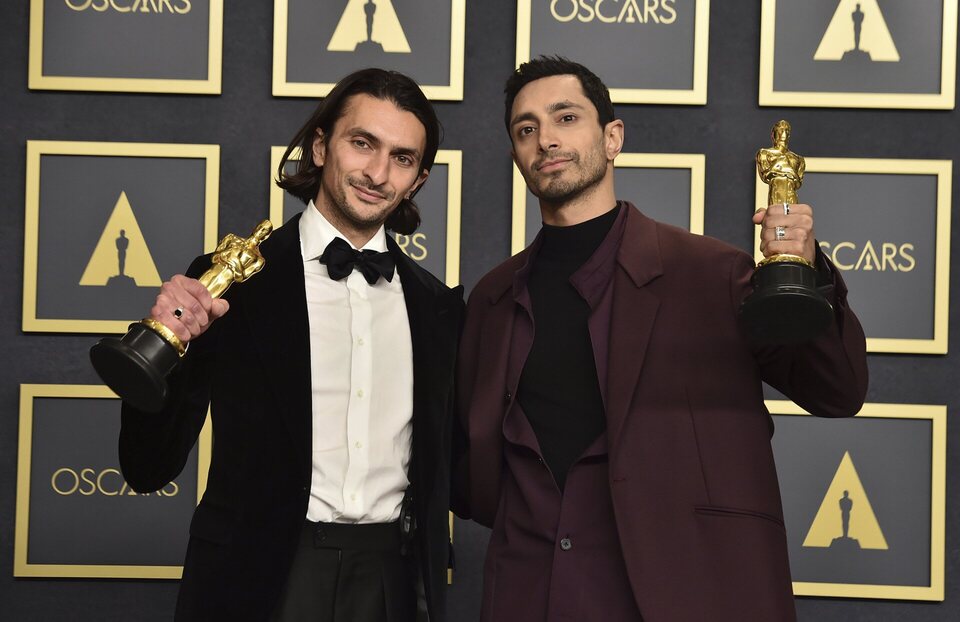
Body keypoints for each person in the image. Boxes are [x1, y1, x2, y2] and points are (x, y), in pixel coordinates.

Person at [452, 56, 868, 621]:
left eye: (566, 117)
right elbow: (475, 473)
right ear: (515, 155)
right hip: (529, 594)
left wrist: (805, 270)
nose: (546, 139)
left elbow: (837, 390)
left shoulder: (715, 274)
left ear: (612, 136)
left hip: (687, 592)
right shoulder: (491, 299)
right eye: (527, 129)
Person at [119, 68, 463, 622]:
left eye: (401, 158)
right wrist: (161, 351)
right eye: (362, 143)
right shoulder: (226, 284)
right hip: (256, 579)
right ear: (321, 145)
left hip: (391, 584)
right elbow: (147, 467)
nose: (377, 172)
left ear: (418, 180)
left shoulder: (438, 307)